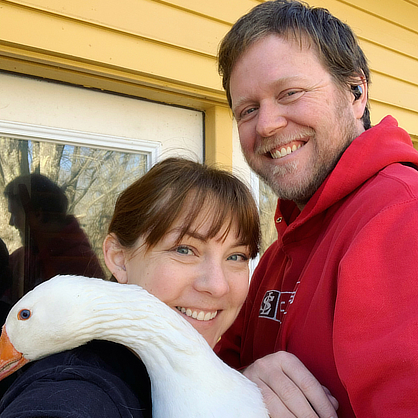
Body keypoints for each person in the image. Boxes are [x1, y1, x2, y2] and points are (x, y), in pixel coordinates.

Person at [0, 158, 336, 417]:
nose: (217, 286)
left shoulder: (170, 370)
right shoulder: (76, 389)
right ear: (118, 258)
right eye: (184, 250)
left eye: (237, 256)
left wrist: (239, 381)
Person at [214, 1, 418, 417]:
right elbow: (216, 365)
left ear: (356, 92)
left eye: (290, 93)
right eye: (247, 110)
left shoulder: (400, 215)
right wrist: (246, 384)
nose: (267, 124)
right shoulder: (279, 252)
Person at [4, 174, 105, 302]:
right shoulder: (22, 259)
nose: (11, 223)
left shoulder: (80, 265)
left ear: (38, 214)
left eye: (14, 214)